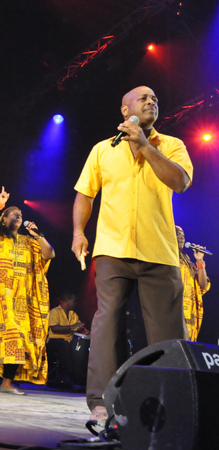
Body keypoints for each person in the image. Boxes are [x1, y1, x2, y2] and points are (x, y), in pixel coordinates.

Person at [72, 86, 193, 421]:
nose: (152, 101)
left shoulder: (172, 146)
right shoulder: (102, 150)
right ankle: (102, 403)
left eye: (155, 98)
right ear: (125, 111)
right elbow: (85, 194)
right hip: (113, 247)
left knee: (168, 331)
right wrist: (79, 232)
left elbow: (180, 182)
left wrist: (144, 145)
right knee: (107, 321)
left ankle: (174, 400)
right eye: (143, 98)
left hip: (159, 250)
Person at [0, 187, 55, 395]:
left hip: (21, 301)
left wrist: (38, 235)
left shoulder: (29, 242)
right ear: (3, 219)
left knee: (17, 338)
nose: (19, 216)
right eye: (14, 213)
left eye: (21, 214)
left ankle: (6, 383)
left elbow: (50, 254)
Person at [46, 293, 88, 389]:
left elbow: (79, 327)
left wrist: (86, 332)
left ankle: (79, 377)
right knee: (64, 345)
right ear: (66, 301)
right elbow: (54, 329)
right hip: (54, 340)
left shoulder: (73, 314)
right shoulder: (54, 312)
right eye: (73, 301)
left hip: (68, 342)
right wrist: (71, 327)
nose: (75, 303)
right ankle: (65, 376)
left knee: (79, 348)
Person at [176, 226, 210, 341]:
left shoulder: (187, 260)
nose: (182, 238)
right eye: (177, 234)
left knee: (187, 348)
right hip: (175, 310)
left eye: (183, 235)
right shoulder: (167, 257)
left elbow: (202, 285)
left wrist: (199, 260)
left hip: (189, 314)